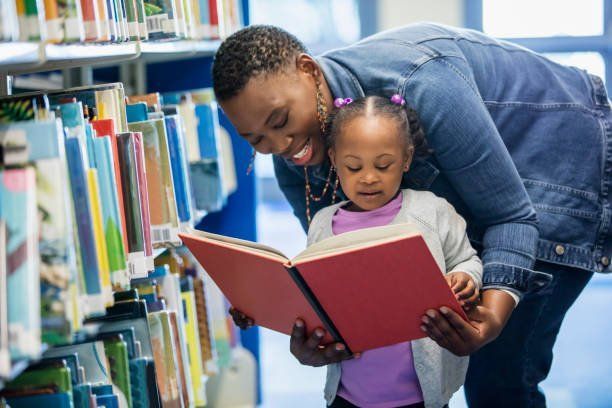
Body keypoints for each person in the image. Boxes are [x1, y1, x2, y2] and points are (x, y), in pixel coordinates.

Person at [213, 23, 611, 407]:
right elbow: (338, 265)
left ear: (308, 70)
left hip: (554, 161)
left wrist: (491, 316)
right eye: (255, 140)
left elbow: (509, 217)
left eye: (280, 121)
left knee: (499, 375)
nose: (281, 145)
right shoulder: (294, 160)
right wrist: (305, 323)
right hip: (485, 192)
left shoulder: (422, 84)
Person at [236, 94, 483, 408]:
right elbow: (311, 297)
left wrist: (465, 276)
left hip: (423, 397)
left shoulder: (431, 212)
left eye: (384, 165)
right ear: (335, 160)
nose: (369, 177)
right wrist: (259, 307)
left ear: (406, 159)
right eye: (353, 167)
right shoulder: (323, 224)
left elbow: (467, 258)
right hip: (347, 396)